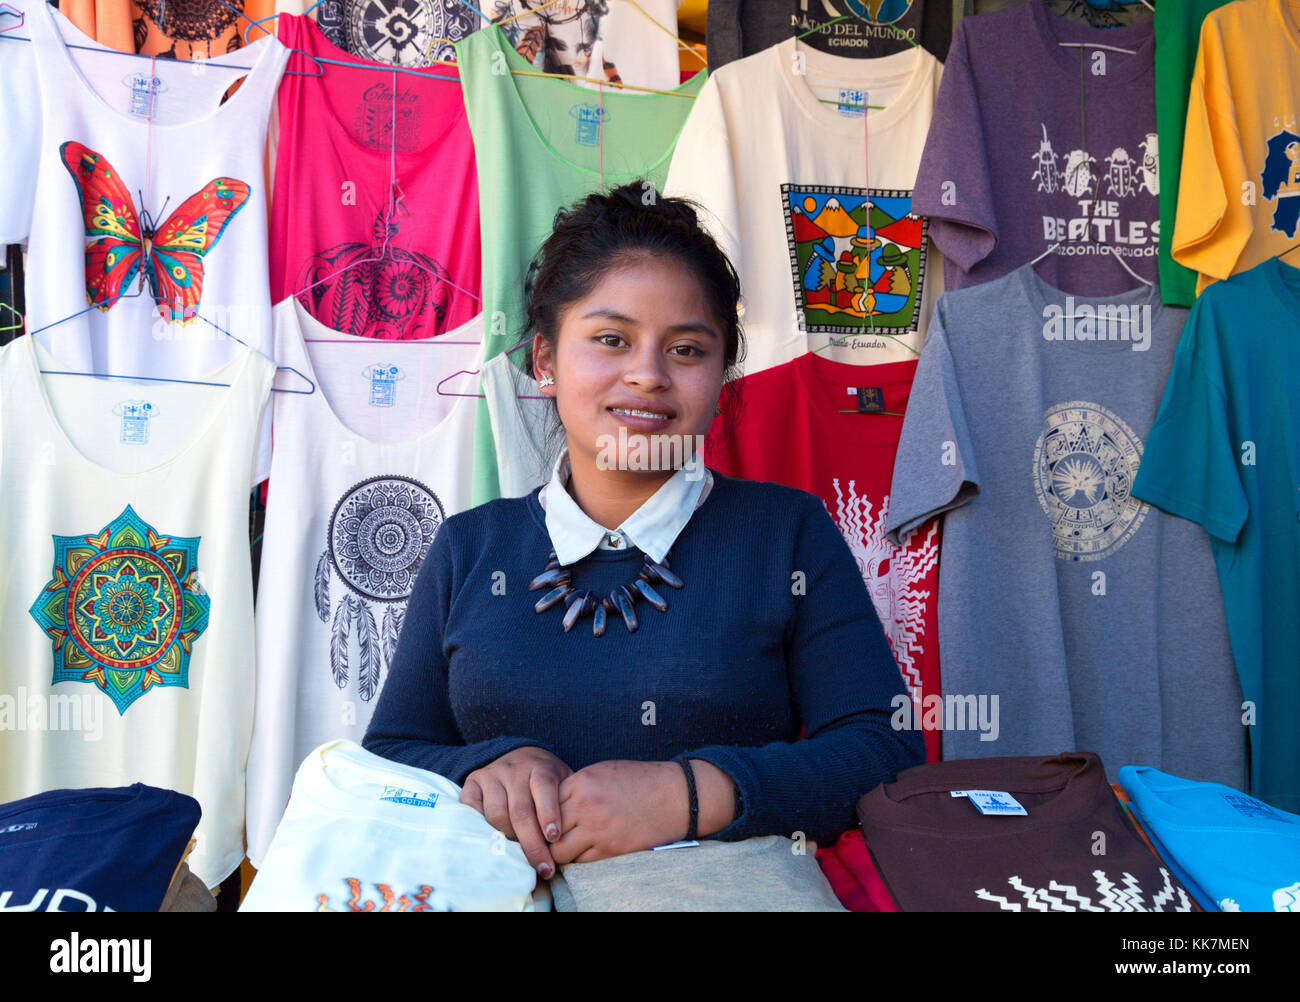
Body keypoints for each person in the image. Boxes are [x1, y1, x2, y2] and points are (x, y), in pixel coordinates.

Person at [362, 182, 924, 898]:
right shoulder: (471, 547)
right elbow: (387, 757)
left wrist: (692, 793)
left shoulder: (788, 534)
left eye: (687, 348)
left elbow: (885, 750)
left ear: (723, 376)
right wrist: (485, 768)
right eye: (610, 339)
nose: (648, 374)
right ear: (544, 360)